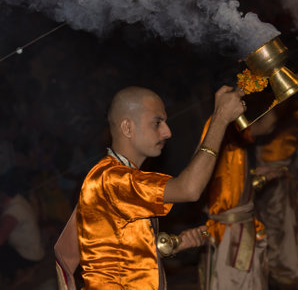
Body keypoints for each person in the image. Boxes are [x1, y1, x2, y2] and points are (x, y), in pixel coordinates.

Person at [74, 85, 245, 289]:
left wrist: (174, 244)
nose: (167, 132)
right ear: (127, 128)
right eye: (157, 123)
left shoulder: (122, 175)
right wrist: (220, 119)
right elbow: (189, 189)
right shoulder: (112, 179)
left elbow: (120, 252)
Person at [198, 107, 284, 290]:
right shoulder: (221, 125)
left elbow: (230, 180)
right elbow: (266, 126)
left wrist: (256, 177)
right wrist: (281, 92)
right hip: (228, 232)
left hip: (240, 225)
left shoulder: (231, 124)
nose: (244, 104)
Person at [0, 168, 45, 287]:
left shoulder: (12, 213)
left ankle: (19, 275)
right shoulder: (17, 199)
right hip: (34, 251)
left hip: (29, 256)